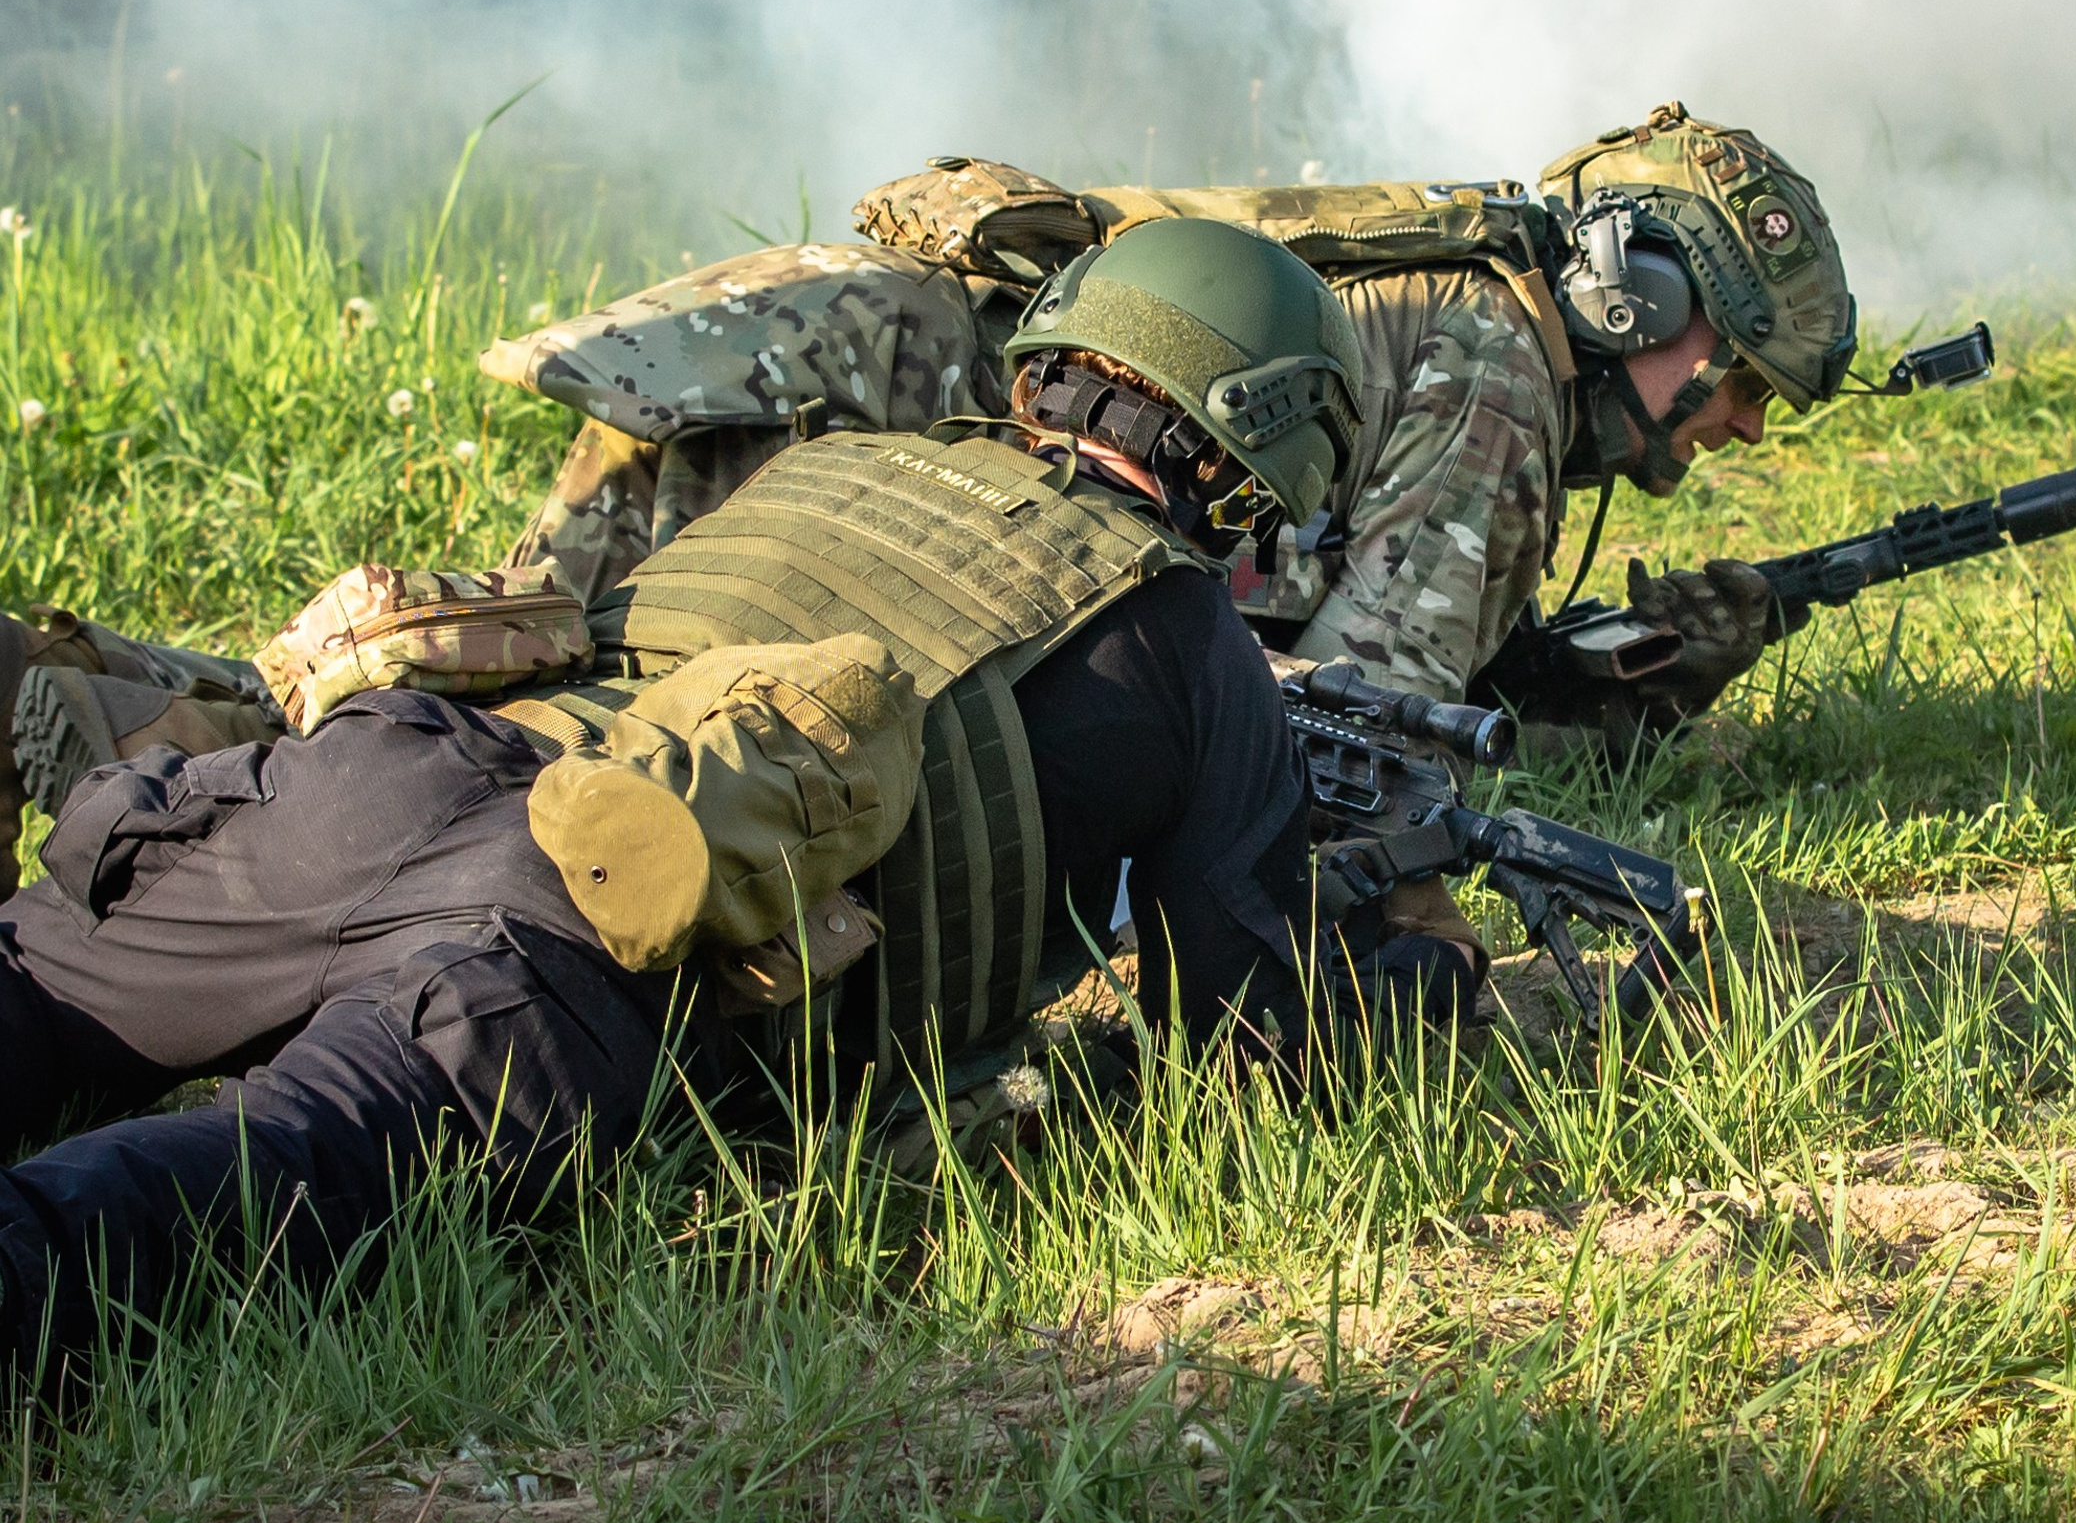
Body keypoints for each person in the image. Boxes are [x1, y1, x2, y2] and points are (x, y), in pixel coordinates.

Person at [0, 219, 1407, 1395]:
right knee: (236, 1188)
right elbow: (1251, 1060)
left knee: (36, 1009)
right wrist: (1412, 962)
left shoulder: (846, 461)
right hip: (582, 932)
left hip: (381, 775)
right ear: (1257, 437)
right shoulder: (1188, 640)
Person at [499, 105, 1859, 725]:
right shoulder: (1501, 360)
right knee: (605, 731)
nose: (1736, 426)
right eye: (1736, 380)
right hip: (880, 428)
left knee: (522, 671)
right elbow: (1364, 719)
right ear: (1633, 299)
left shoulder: (1449, 275)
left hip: (822, 353)